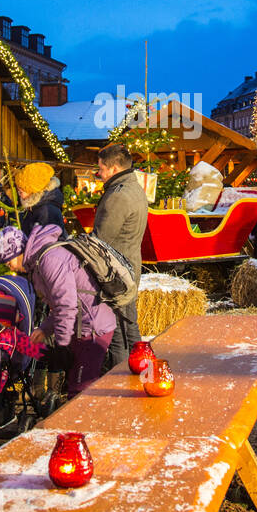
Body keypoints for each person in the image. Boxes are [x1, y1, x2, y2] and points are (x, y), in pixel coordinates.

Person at [0, 224, 116, 397]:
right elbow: (59, 305)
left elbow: (66, 305)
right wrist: (45, 330)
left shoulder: (49, 260)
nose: (10, 267)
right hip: (81, 326)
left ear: (18, 252)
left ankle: (85, 423)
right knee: (76, 385)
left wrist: (62, 344)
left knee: (80, 391)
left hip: (93, 327)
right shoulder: (38, 263)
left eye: (9, 262)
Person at [92, 143, 148, 367]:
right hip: (128, 266)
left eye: (102, 168)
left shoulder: (118, 196)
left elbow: (101, 239)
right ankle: (143, 367)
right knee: (129, 326)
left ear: (114, 169)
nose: (100, 173)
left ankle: (121, 377)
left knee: (119, 332)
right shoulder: (133, 188)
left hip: (116, 273)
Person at [15, 162, 65, 236]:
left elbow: (46, 242)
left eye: (21, 192)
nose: (20, 195)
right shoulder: (34, 207)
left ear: (32, 191)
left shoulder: (47, 211)